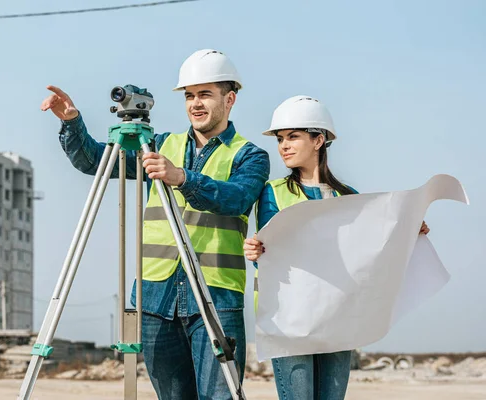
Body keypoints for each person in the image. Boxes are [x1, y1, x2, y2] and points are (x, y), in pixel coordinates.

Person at [41, 49, 270, 399]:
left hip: (215, 295)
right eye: (190, 96)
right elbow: (96, 163)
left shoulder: (249, 155)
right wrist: (72, 122)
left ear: (230, 98)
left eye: (205, 94)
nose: (195, 104)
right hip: (154, 298)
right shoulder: (160, 145)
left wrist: (181, 177)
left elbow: (235, 198)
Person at [243, 95, 429, 400]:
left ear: (318, 141)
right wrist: (257, 252)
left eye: (293, 137)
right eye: (280, 139)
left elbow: (371, 251)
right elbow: (269, 254)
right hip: (290, 319)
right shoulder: (272, 193)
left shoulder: (349, 196)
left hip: (338, 318)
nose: (284, 146)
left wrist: (410, 231)